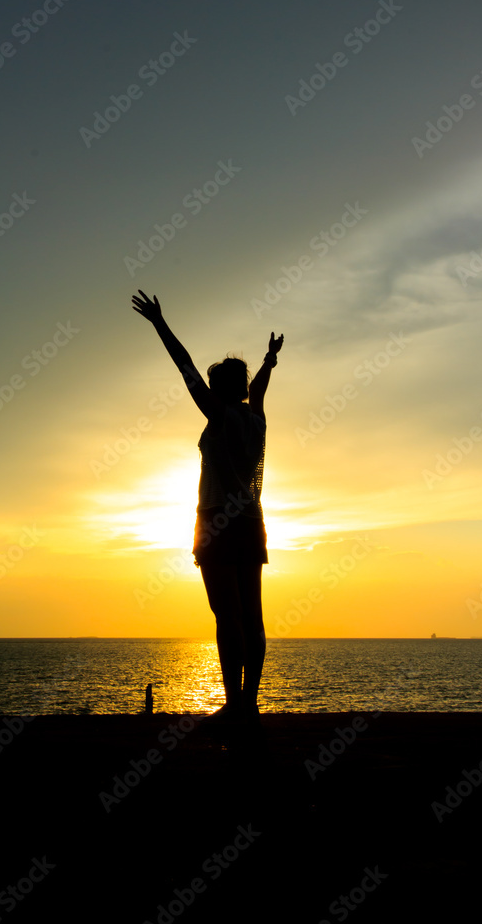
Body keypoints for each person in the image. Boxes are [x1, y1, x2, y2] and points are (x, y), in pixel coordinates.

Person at [132, 290, 283, 724]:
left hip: (217, 523)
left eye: (213, 385)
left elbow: (186, 370)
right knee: (252, 618)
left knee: (226, 616)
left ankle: (234, 705)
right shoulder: (257, 419)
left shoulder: (219, 417)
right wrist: (269, 360)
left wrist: (160, 323)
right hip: (252, 523)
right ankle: (249, 703)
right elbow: (258, 390)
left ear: (218, 390)